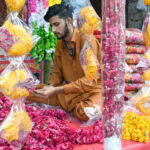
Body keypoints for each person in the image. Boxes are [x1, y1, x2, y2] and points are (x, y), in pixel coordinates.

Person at [27, 2, 102, 121]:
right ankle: (71, 106)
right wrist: (50, 87)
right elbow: (57, 73)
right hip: (69, 92)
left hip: (90, 91)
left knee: (86, 113)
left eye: (57, 24)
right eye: (51, 26)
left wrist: (57, 90)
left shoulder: (87, 41)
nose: (53, 30)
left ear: (68, 21)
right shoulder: (60, 43)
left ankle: (73, 107)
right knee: (31, 93)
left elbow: (89, 82)